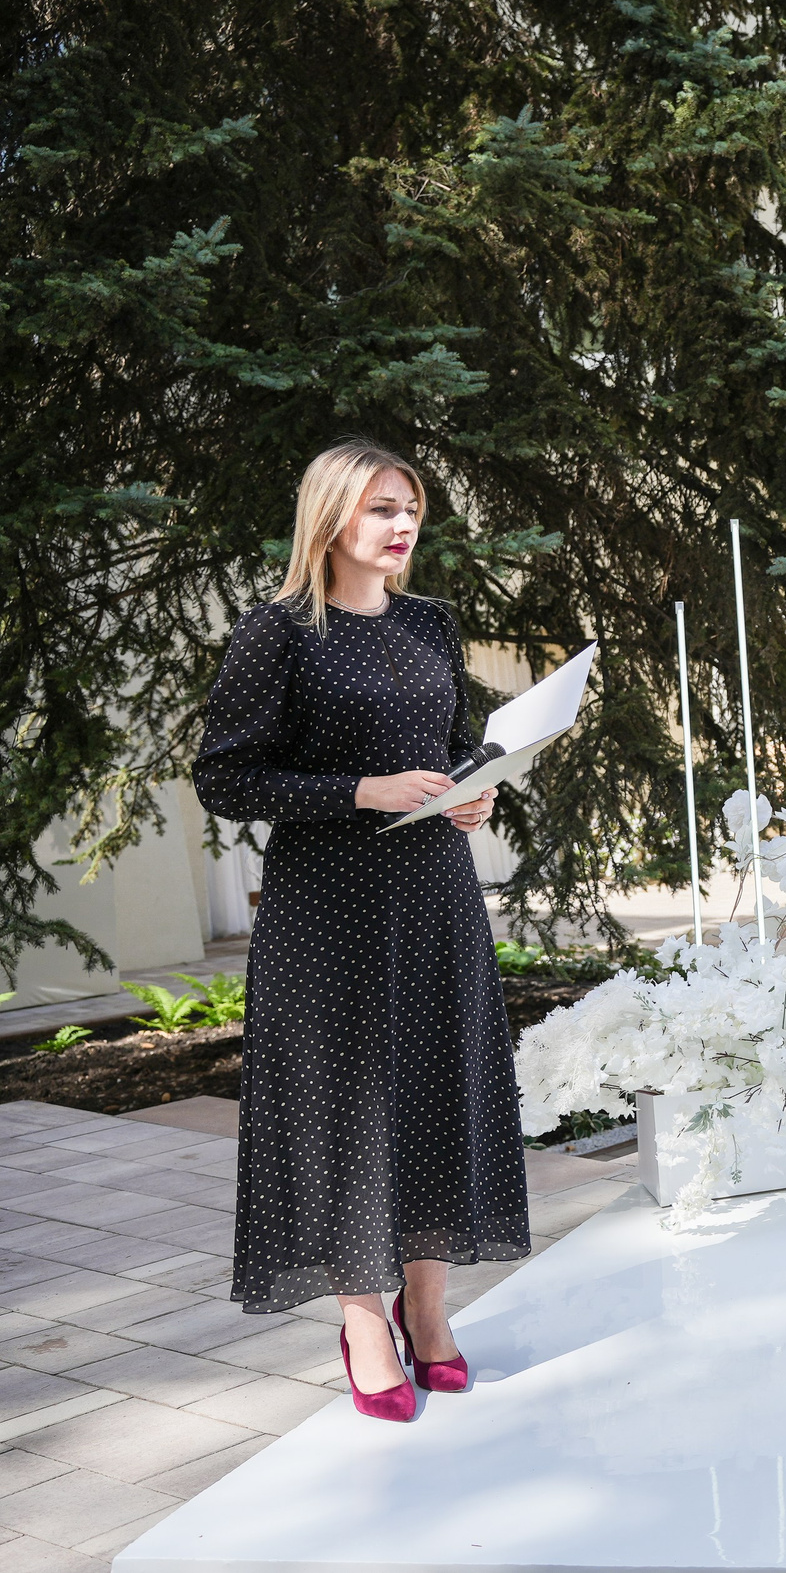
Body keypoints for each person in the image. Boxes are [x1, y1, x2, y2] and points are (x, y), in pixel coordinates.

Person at [193, 442, 529, 1423]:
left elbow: (449, 747)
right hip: (326, 910)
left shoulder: (432, 623)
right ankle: (363, 1322)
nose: (401, 525)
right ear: (332, 518)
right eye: (382, 508)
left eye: (411, 508)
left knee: (436, 1090)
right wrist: (358, 791)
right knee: (344, 1112)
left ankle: (427, 1310)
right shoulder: (278, 634)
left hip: (435, 897)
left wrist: (473, 792)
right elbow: (227, 780)